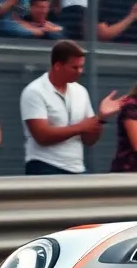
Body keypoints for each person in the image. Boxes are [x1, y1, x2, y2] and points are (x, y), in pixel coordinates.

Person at [19, 40, 125, 174]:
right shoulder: (34, 91)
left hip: (77, 168)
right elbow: (42, 136)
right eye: (75, 67)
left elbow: (89, 140)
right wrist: (80, 127)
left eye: (82, 67)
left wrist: (101, 118)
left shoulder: (81, 91)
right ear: (57, 66)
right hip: (44, 166)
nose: (80, 71)